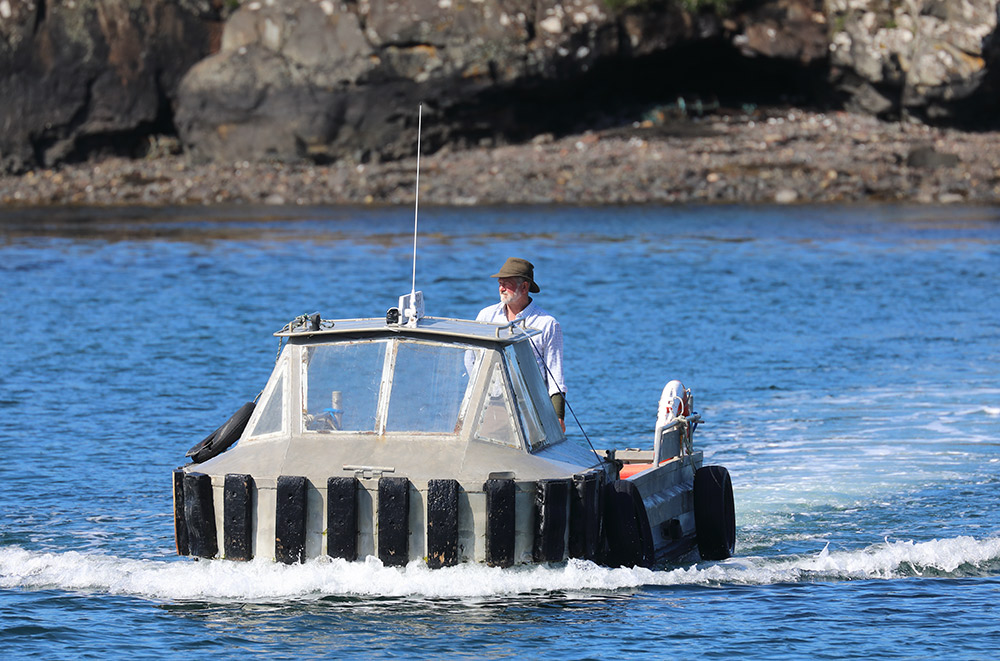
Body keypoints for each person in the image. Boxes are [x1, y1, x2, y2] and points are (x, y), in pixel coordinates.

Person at [477, 257, 566, 432]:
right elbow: (472, 360)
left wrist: (558, 417)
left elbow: (556, 376)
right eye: (500, 283)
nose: (501, 288)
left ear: (525, 287)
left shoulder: (547, 323)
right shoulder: (486, 317)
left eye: (507, 284)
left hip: (533, 406)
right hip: (492, 404)